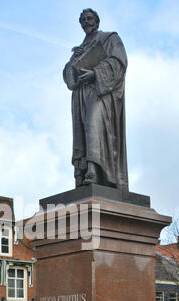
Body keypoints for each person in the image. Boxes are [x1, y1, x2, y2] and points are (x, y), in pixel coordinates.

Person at [63, 9, 129, 189]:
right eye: (83, 20)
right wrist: (72, 64)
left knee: (93, 124)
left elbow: (118, 62)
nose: (86, 22)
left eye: (89, 19)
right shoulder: (80, 49)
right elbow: (69, 79)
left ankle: (94, 169)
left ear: (97, 21)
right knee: (83, 131)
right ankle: (85, 172)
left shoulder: (109, 38)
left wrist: (95, 73)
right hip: (81, 96)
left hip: (100, 92)